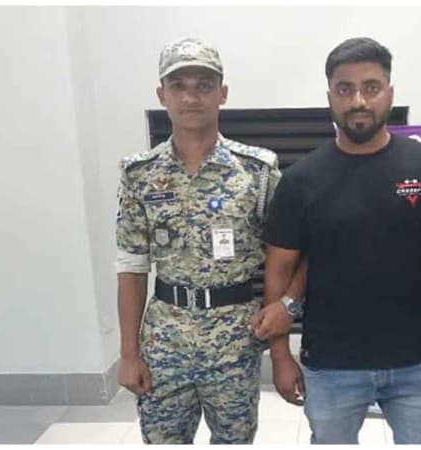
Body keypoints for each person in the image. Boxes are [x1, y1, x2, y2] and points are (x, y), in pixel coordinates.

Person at [258, 37, 421, 444]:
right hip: (331, 365)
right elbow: (279, 272)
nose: (358, 101)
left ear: (390, 93)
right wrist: (280, 356)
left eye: (371, 87)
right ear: (329, 97)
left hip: (418, 363)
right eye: (344, 89)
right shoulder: (300, 180)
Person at [115, 36, 303, 444]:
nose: (191, 97)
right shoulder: (140, 174)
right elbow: (131, 267)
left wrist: (287, 312)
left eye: (203, 85)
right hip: (165, 340)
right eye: (178, 85)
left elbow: (292, 253)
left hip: (235, 337)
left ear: (223, 93)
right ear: (162, 95)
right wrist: (129, 354)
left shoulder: (257, 171)